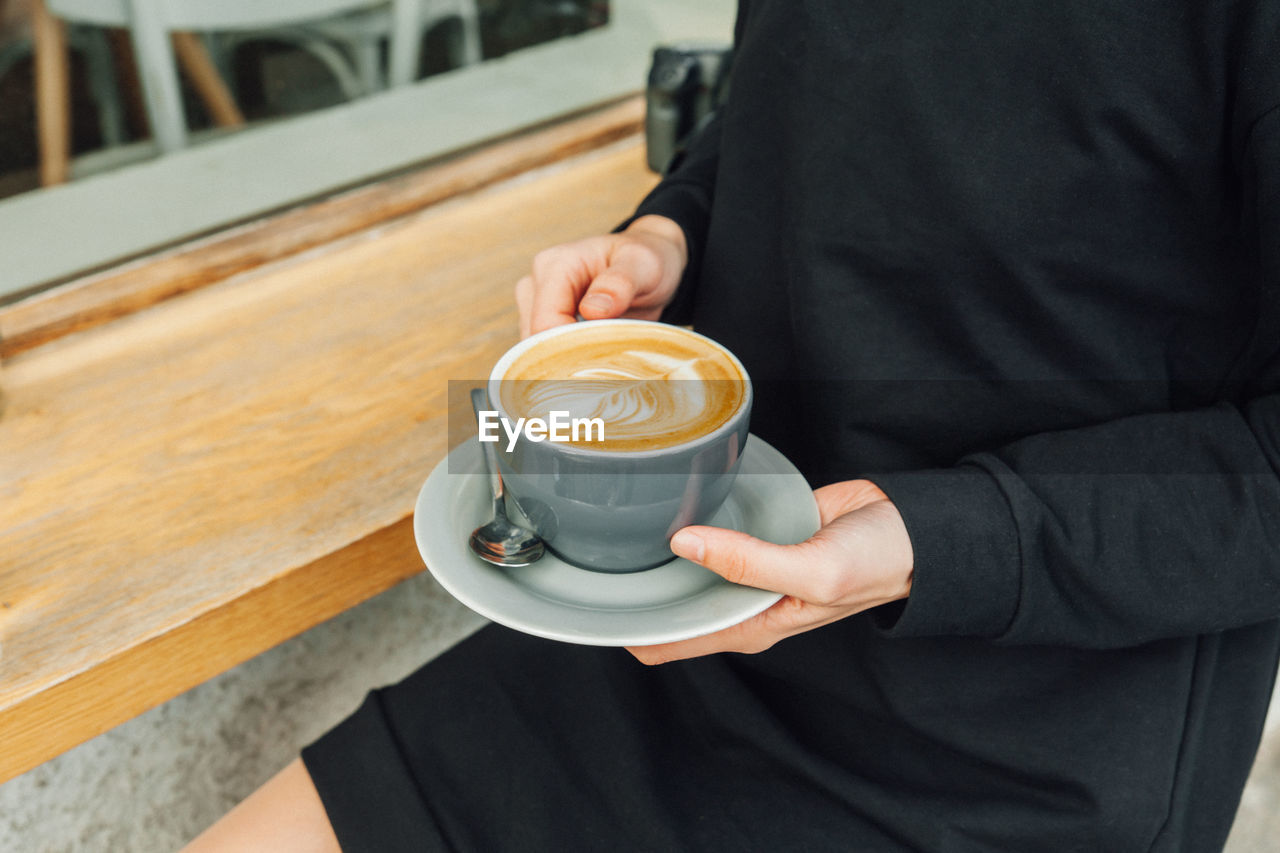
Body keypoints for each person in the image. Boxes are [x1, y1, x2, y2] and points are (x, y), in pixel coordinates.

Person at [185, 1, 1280, 850]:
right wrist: (672, 230)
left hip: (1008, 761)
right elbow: (794, 93)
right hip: (673, 658)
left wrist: (937, 539)